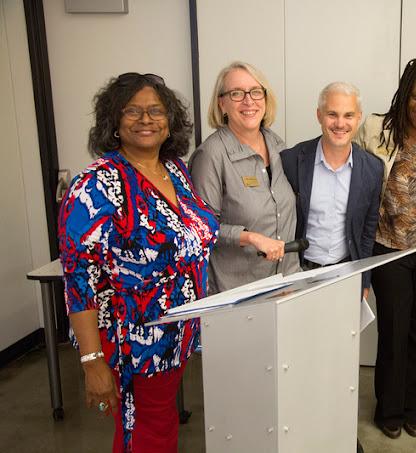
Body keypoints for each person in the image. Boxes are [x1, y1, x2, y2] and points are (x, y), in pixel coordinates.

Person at [58, 73, 219, 452]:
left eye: (155, 111)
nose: (145, 119)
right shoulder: (96, 184)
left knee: (158, 425)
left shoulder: (175, 170)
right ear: (113, 122)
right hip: (130, 343)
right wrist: (92, 361)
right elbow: (78, 281)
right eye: (132, 111)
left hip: (175, 338)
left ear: (169, 122)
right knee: (143, 433)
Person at [280, 82, 383, 453]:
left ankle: (338, 431)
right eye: (333, 114)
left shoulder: (372, 168)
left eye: (349, 115)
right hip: (300, 272)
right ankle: (300, 431)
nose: (340, 123)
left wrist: (364, 277)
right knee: (297, 357)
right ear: (319, 115)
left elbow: (369, 226)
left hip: (344, 275)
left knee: (339, 362)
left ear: (358, 119)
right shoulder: (292, 159)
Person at [354, 57, 416, 440]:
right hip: (387, 247)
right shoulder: (378, 129)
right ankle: (390, 410)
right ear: (405, 95)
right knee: (394, 331)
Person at [190, 61, 299, 294]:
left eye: (256, 92)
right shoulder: (210, 155)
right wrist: (251, 238)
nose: (249, 101)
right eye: (237, 93)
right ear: (222, 104)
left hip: (286, 283)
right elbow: (200, 228)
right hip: (239, 293)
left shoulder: (278, 146)